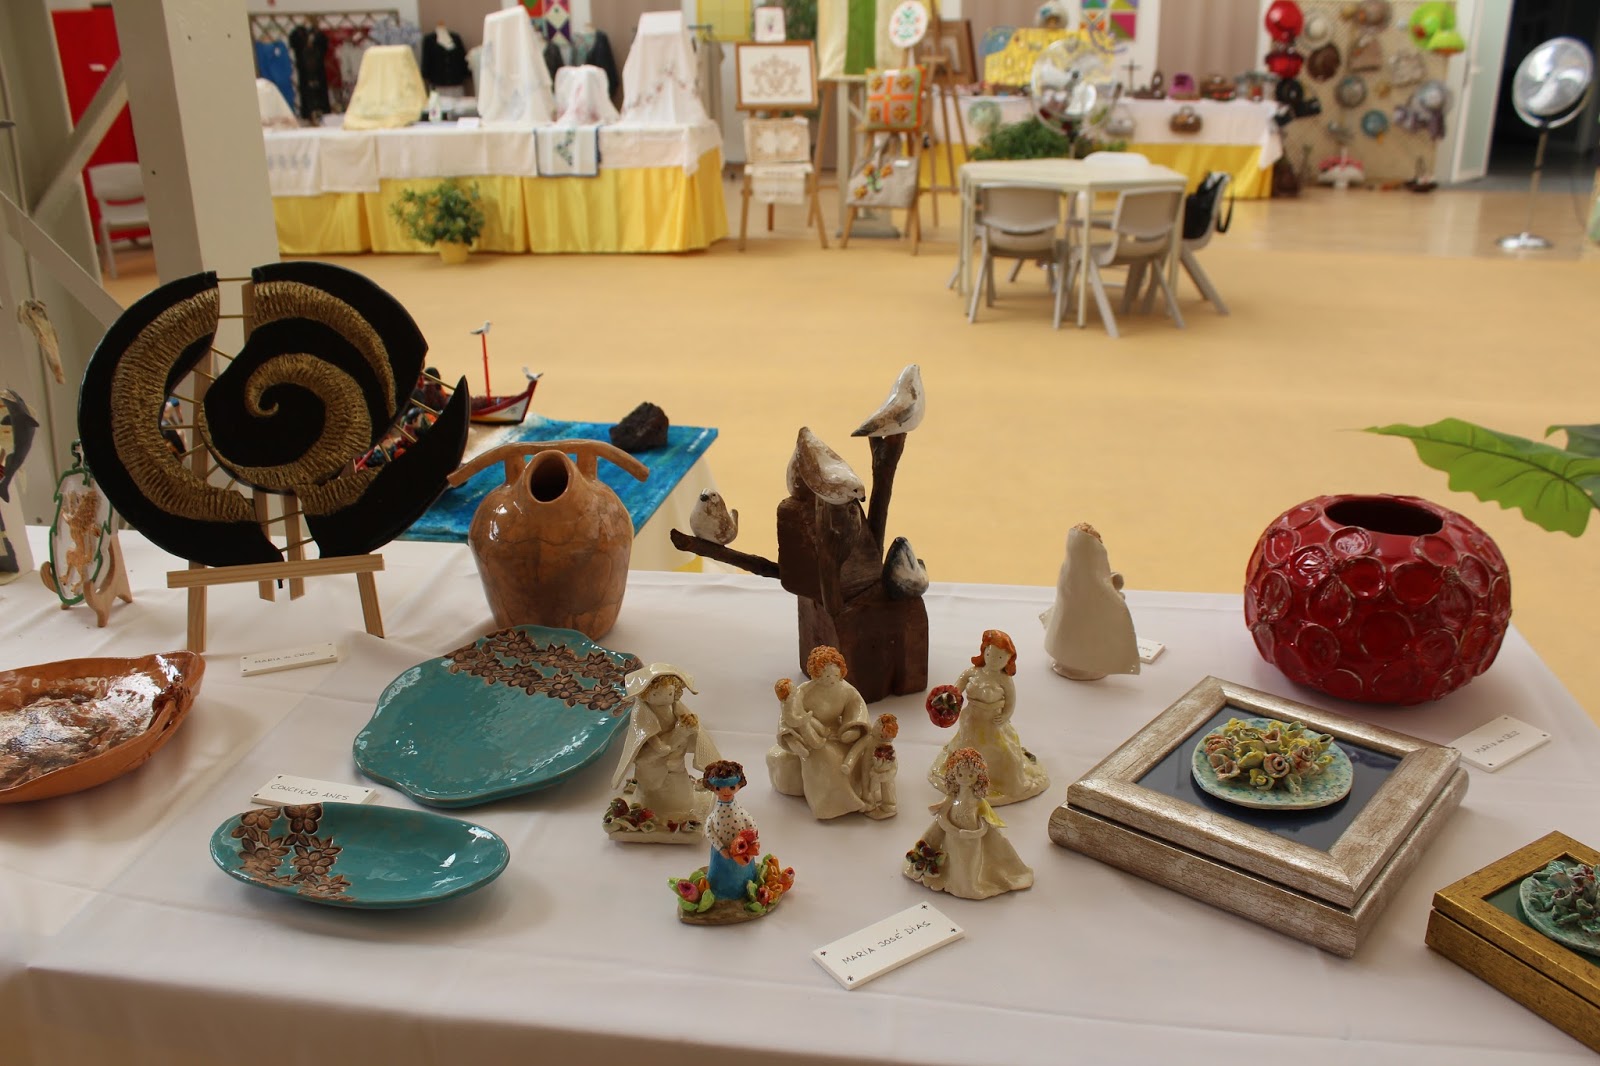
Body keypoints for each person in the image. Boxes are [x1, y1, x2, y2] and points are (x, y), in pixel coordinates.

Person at [927, 630, 1049, 806]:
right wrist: (945, 701)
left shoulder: (1005, 680)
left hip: (993, 722)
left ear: (1008, 660)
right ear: (984, 652)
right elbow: (955, 691)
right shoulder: (971, 673)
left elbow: (1011, 702)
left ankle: (1002, 782)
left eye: (1000, 657)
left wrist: (1005, 716)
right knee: (966, 746)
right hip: (971, 719)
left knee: (1002, 752)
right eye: (990, 654)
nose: (993, 660)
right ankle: (961, 778)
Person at [604, 663, 720, 842]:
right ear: (645, 694)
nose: (665, 698)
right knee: (656, 789)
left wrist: (688, 727)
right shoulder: (642, 713)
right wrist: (673, 737)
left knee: (680, 794)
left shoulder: (675, 707)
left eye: (670, 693)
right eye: (656, 694)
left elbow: (688, 725)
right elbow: (652, 739)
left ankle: (681, 812)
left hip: (675, 761)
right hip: (652, 762)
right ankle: (652, 814)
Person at [905, 747, 1033, 900]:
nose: (964, 779)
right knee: (955, 861)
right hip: (952, 838)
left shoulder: (978, 802)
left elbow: (984, 823)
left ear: (979, 777)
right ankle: (953, 882)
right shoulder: (952, 798)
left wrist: (973, 833)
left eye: (970, 775)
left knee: (969, 863)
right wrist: (951, 828)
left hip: (971, 840)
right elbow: (941, 815)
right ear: (953, 774)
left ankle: (970, 886)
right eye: (960, 774)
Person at [767, 645, 872, 820]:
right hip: (810, 736)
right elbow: (790, 714)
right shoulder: (803, 691)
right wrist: (791, 736)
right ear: (816, 674)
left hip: (838, 733)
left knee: (861, 753)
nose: (831, 679)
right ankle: (831, 805)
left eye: (835, 675)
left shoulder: (846, 690)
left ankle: (859, 794)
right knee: (825, 756)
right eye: (826, 676)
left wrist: (852, 729)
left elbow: (856, 708)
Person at [701, 760, 757, 901]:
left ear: (739, 785)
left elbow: (750, 823)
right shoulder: (714, 815)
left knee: (742, 874)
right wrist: (720, 848)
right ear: (712, 787)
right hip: (721, 853)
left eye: (731, 787)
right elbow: (709, 831)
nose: (726, 791)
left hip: (742, 851)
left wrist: (752, 842)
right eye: (719, 788)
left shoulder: (740, 811)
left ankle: (747, 890)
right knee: (721, 876)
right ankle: (720, 892)